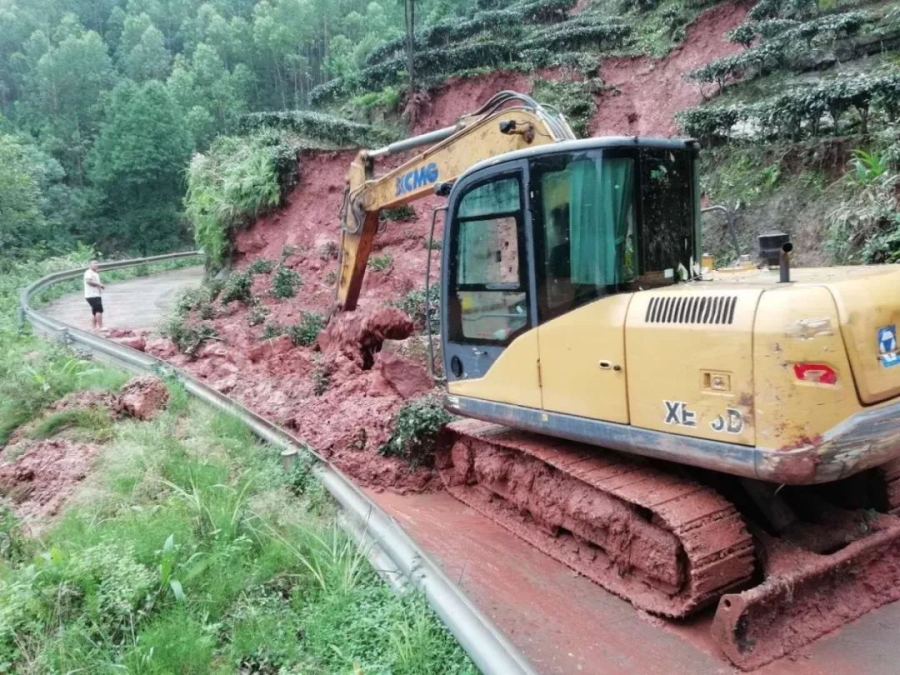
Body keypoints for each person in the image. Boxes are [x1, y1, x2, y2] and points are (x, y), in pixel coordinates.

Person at [83, 260, 105, 330]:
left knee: (95, 311)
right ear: (90, 265)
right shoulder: (88, 272)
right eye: (94, 263)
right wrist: (99, 284)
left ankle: (94, 327)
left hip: (95, 294)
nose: (96, 265)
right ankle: (101, 327)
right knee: (99, 310)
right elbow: (88, 281)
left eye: (97, 263)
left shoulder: (95, 273)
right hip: (92, 295)